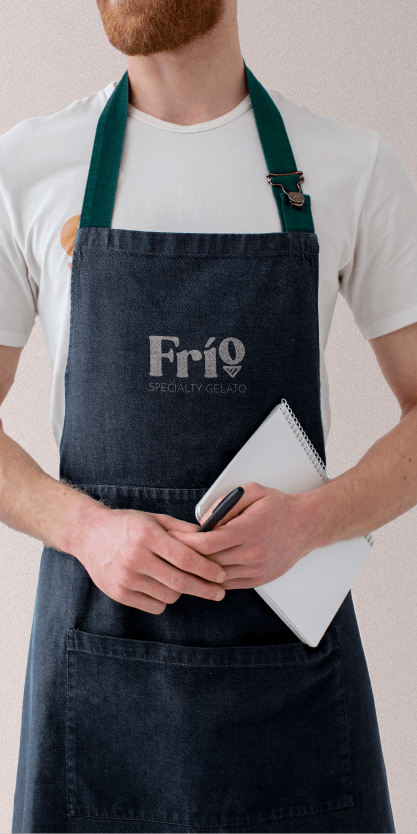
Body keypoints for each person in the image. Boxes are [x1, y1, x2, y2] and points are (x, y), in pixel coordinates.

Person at [1, 0, 416, 831]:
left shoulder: (348, 167)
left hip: (288, 678)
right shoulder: (27, 167)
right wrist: (85, 530)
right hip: (98, 674)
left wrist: (314, 519)